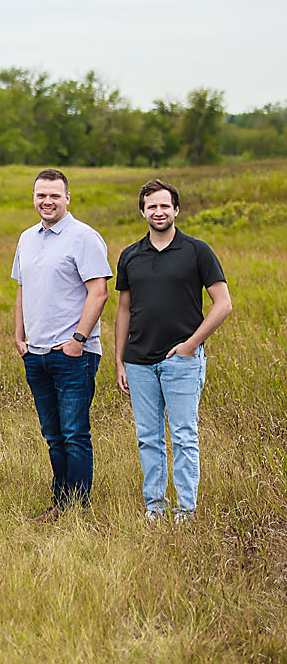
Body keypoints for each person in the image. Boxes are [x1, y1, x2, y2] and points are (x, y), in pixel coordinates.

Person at [113, 179, 233, 521]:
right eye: (152, 206)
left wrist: (191, 345)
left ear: (176, 209)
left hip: (182, 362)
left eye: (165, 205)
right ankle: (155, 508)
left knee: (184, 436)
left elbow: (222, 304)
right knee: (148, 438)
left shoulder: (197, 251)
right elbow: (124, 309)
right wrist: (120, 360)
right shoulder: (130, 256)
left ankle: (186, 509)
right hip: (138, 363)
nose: (159, 211)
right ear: (142, 212)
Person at [12, 168, 112, 521]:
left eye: (54, 195)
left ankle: (77, 509)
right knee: (53, 435)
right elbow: (22, 289)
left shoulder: (83, 237)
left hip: (73, 355)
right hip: (35, 354)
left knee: (74, 433)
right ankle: (61, 503)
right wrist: (19, 337)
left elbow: (98, 292)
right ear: (34, 197)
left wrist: (78, 341)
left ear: (67, 197)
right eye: (41, 195)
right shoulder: (27, 238)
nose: (47, 201)